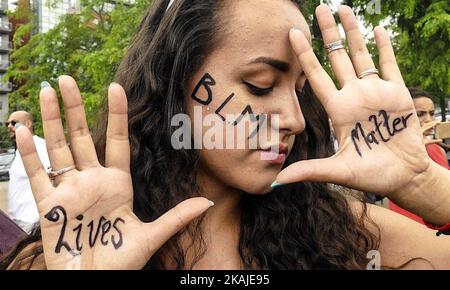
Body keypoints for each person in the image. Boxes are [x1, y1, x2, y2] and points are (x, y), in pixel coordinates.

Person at [2, 0, 450, 270]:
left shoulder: (341, 232)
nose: (294, 120)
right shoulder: (76, 249)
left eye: (300, 91)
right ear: (175, 82)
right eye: (259, 85)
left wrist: (422, 182)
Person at [6, 111, 50, 234]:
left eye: (14, 123)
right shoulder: (20, 148)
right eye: (7, 123)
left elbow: (51, 174)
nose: (9, 126)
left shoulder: (40, 146)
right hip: (17, 220)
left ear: (28, 124)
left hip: (31, 221)